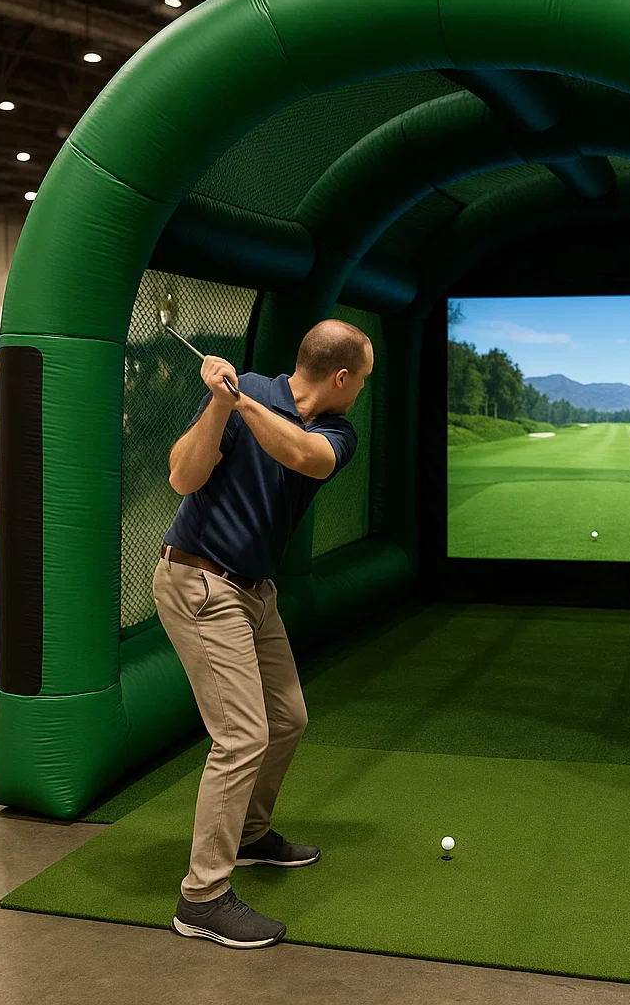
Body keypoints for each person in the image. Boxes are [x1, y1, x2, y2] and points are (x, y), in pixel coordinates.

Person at [154, 318, 371, 951]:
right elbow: (182, 478)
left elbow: (303, 456)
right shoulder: (237, 389)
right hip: (199, 581)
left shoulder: (336, 432)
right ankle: (202, 897)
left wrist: (237, 400)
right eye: (362, 377)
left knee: (289, 717)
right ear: (340, 376)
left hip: (254, 591)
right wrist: (219, 407)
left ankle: (248, 837)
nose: (361, 389)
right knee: (242, 734)